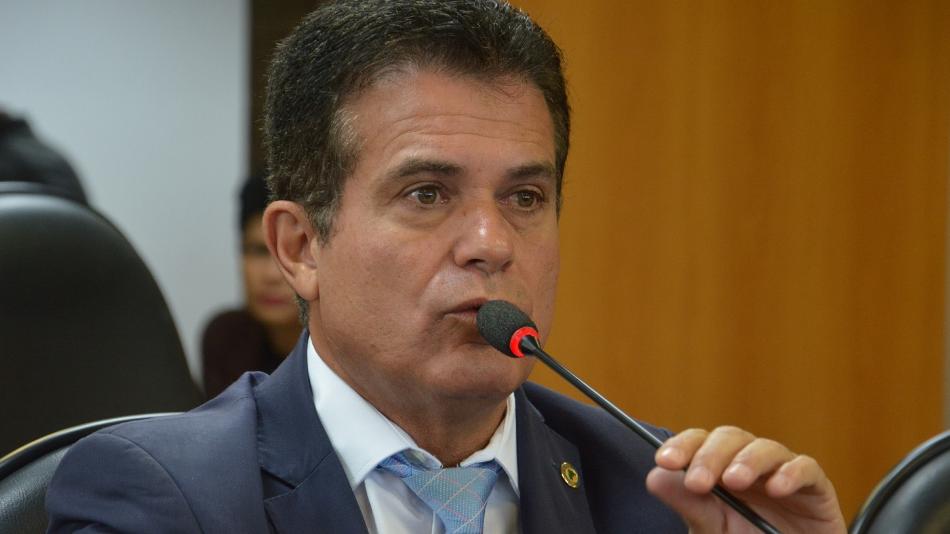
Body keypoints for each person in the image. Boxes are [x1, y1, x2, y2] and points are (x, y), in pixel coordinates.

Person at [46, 1, 848, 532]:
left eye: (526, 197)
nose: (491, 242)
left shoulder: (662, 493)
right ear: (301, 247)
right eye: (427, 193)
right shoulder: (161, 498)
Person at [201, 173, 301, 398]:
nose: (271, 275)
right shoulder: (227, 340)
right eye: (257, 251)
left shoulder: (348, 354)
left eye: (290, 252)